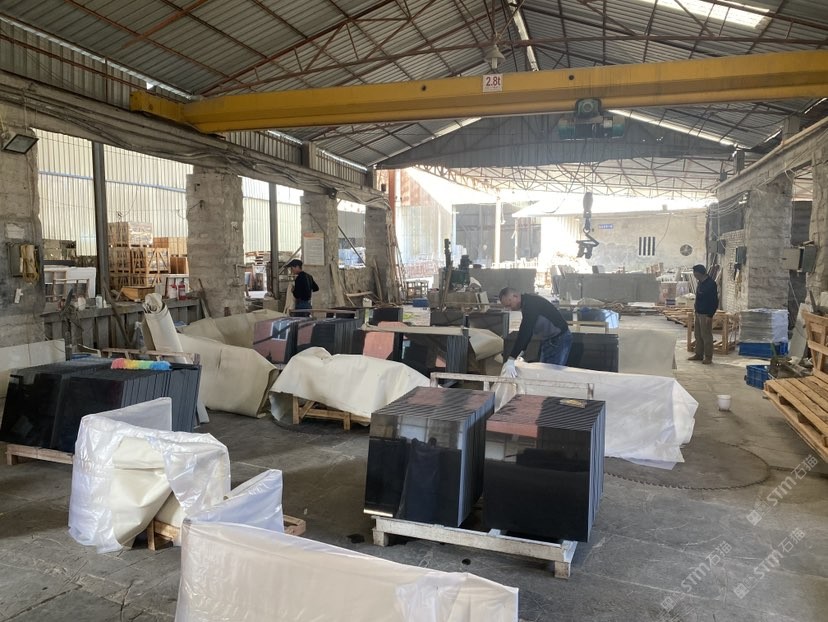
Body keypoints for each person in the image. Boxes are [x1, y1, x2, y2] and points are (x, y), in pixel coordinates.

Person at [499, 287, 572, 377]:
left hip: (559, 339)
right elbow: (528, 329)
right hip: (548, 339)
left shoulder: (531, 304)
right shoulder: (526, 302)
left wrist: (512, 358)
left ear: (515, 296)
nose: (510, 309)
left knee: (552, 375)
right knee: (543, 373)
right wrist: (522, 350)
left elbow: (525, 331)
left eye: (509, 305)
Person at [689, 264, 718, 365]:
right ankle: (699, 354)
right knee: (698, 335)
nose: (694, 275)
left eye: (694, 273)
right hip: (698, 312)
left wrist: (710, 315)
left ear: (698, 273)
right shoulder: (700, 283)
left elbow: (714, 301)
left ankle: (708, 357)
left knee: (706, 336)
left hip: (705, 314)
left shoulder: (711, 284)